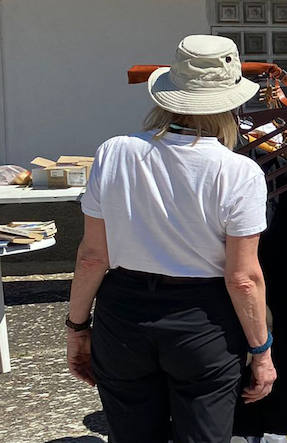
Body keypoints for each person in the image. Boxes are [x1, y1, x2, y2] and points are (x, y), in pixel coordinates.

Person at [67, 35, 276, 441]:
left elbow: (92, 256)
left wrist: (77, 326)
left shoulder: (115, 152)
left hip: (124, 310)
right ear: (232, 104)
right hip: (203, 318)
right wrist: (261, 351)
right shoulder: (238, 172)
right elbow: (244, 278)